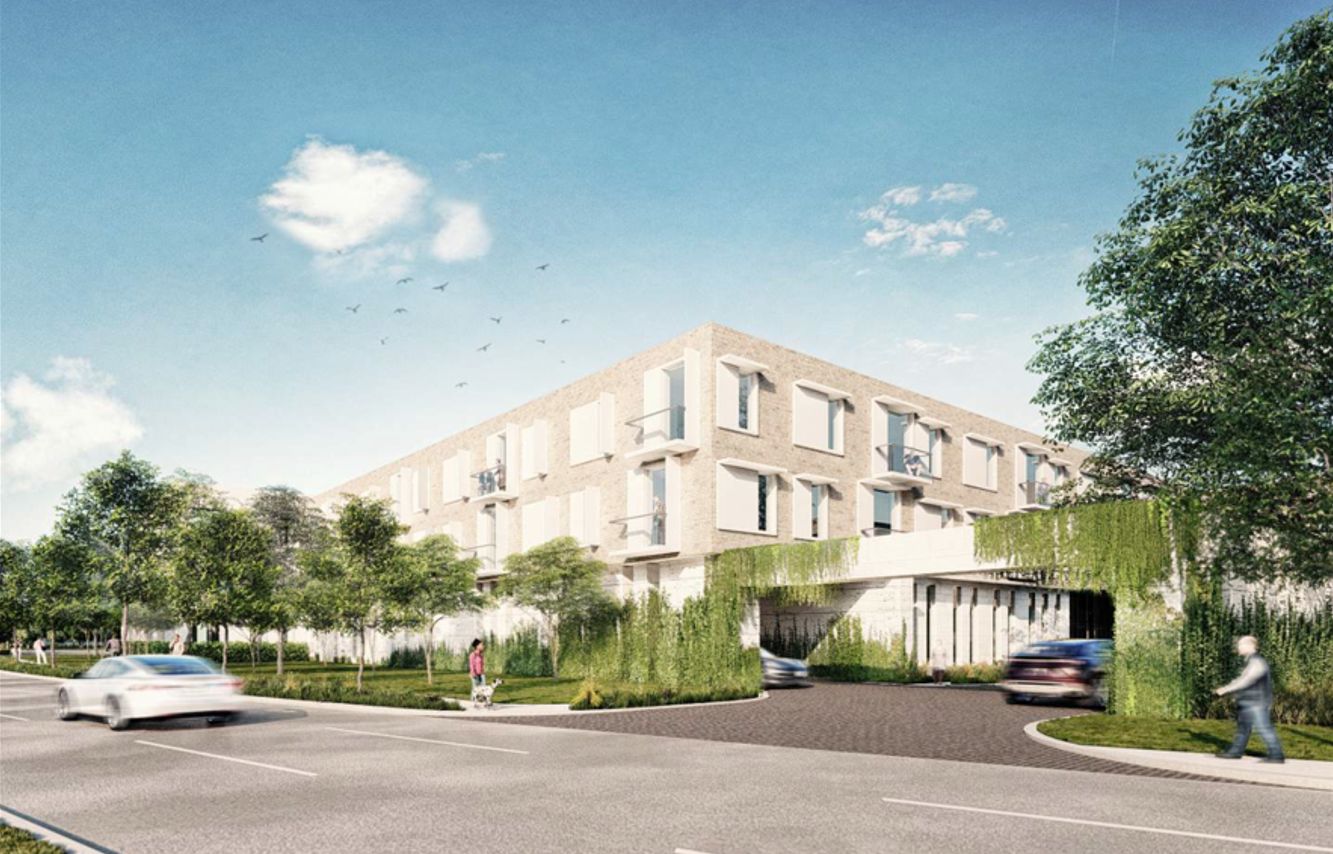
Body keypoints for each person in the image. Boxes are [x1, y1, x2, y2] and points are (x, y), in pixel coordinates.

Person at [1214, 635, 1285, 763]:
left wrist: (1225, 689)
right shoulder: (1251, 661)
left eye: (1241, 644)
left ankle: (1276, 754)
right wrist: (1228, 687)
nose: (1238, 647)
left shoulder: (1257, 662)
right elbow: (1242, 679)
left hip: (1256, 702)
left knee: (1264, 728)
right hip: (1249, 701)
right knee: (1243, 729)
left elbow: (1246, 681)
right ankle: (1235, 752)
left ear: (1251, 646)